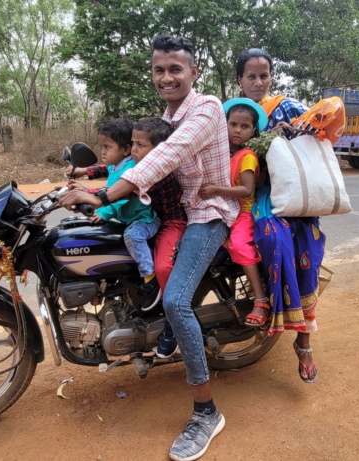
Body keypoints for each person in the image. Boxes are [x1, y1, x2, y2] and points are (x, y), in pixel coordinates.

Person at [61, 35, 237, 461]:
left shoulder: (206, 108)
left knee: (176, 301)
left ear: (193, 73)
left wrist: (101, 197)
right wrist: (99, 190)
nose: (166, 77)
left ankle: (206, 412)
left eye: (175, 69)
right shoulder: (165, 115)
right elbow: (140, 163)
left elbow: (164, 158)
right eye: (159, 70)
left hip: (206, 212)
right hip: (172, 210)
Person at [235, 47, 322, 383]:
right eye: (251, 76)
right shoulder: (237, 114)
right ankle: (270, 312)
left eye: (264, 75)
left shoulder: (286, 106)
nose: (259, 82)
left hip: (297, 197)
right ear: (240, 79)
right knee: (274, 242)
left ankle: (304, 343)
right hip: (261, 197)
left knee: (308, 257)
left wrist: (301, 130)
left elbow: (322, 129)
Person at [197, 98, 270, 326]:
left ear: (253, 130)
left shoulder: (247, 156)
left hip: (243, 211)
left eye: (245, 126)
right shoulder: (221, 152)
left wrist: (215, 190)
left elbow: (247, 190)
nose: (238, 130)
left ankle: (260, 300)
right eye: (233, 124)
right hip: (224, 209)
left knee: (239, 244)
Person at [88, 118, 162, 311]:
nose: (102, 151)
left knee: (133, 236)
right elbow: (108, 189)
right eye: (101, 146)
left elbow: (120, 198)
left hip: (145, 219)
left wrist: (103, 211)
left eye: (107, 146)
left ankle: (150, 279)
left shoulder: (130, 168)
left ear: (125, 149)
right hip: (130, 218)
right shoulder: (115, 166)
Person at [131, 117, 187, 357]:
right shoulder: (138, 165)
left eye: (140, 145)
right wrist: (84, 174)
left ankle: (173, 324)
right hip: (152, 219)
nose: (133, 149)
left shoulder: (159, 173)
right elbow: (113, 169)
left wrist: (95, 195)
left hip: (172, 222)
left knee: (163, 267)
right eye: (132, 143)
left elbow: (124, 189)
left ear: (160, 151)